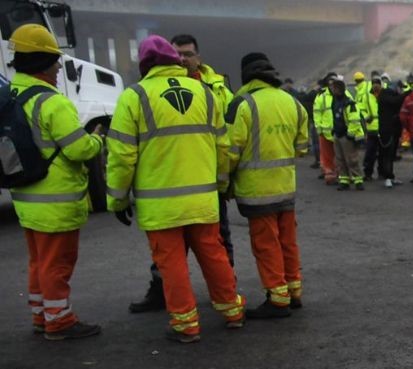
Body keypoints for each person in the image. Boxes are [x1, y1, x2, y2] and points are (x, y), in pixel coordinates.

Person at [107, 36, 244, 343]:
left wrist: (117, 199)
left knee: (172, 263)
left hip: (161, 204)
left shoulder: (135, 96)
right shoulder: (205, 93)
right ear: (175, 60)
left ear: (145, 65)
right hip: (203, 198)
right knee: (214, 254)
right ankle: (232, 311)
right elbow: (222, 146)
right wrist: (220, 184)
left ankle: (185, 324)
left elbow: (121, 156)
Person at [9, 24, 105, 340]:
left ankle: (42, 314)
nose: (58, 67)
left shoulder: (11, 95)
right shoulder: (53, 103)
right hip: (56, 200)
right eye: (55, 61)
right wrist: (97, 141)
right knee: (57, 264)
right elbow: (78, 149)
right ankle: (59, 320)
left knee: (39, 261)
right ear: (43, 63)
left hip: (25, 196)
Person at [226, 52, 310, 318]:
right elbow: (302, 148)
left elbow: (230, 152)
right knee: (288, 241)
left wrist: (223, 183)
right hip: (286, 187)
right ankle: (294, 291)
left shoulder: (242, 104)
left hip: (256, 191)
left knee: (266, 245)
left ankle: (277, 299)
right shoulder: (292, 102)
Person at [328, 78, 365, 190]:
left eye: (333, 88)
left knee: (351, 159)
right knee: (340, 159)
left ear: (338, 89)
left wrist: (350, 134)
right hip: (338, 135)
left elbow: (354, 120)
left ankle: (358, 180)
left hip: (346, 136)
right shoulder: (335, 102)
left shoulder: (349, 103)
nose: (331, 90)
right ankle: (344, 180)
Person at [374, 78, 406, 188]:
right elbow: (395, 101)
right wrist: (407, 93)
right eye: (400, 88)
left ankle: (391, 176)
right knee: (387, 154)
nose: (401, 90)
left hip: (393, 130)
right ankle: (387, 177)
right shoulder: (385, 95)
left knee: (391, 155)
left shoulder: (389, 95)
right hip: (387, 131)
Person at [312, 73, 340, 186]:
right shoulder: (321, 97)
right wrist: (319, 128)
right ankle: (330, 176)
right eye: (331, 84)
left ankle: (341, 176)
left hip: (339, 131)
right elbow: (317, 113)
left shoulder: (345, 94)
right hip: (325, 132)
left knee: (340, 156)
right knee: (327, 157)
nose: (333, 87)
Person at [360, 75, 381, 180]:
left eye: (377, 84)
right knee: (370, 153)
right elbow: (362, 109)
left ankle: (382, 173)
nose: (376, 86)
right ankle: (368, 174)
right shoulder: (366, 96)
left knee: (383, 153)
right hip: (371, 129)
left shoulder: (384, 95)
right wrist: (366, 117)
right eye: (374, 84)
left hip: (382, 129)